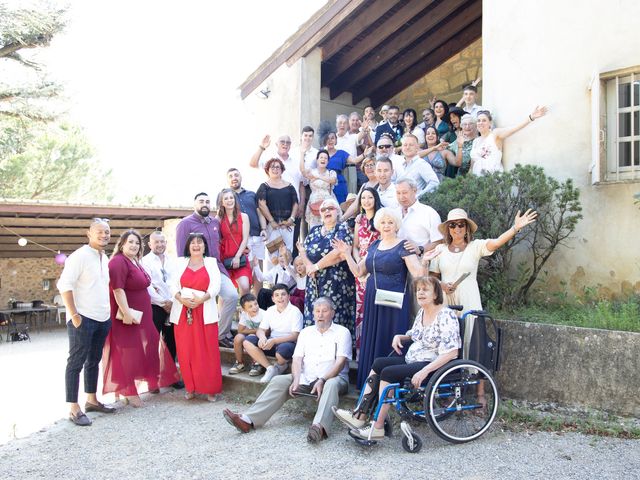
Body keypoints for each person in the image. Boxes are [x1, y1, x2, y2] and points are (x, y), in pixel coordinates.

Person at [332, 276, 460, 440]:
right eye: (418, 289)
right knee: (379, 363)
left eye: (425, 289)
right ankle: (359, 415)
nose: (420, 293)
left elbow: (452, 352)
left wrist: (424, 371)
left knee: (389, 373)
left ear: (435, 294)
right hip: (413, 359)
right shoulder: (423, 312)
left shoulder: (446, 315)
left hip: (431, 364)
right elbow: (415, 335)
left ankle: (378, 427)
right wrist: (400, 337)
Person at [223, 297, 352, 443]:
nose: (320, 315)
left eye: (325, 311)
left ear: (333, 313)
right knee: (279, 380)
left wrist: (323, 380)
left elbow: (340, 362)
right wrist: (296, 379)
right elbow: (297, 359)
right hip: (306, 376)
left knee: (331, 384)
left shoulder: (342, 332)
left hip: (333, 378)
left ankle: (319, 427)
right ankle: (248, 420)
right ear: (313, 314)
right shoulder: (306, 332)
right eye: (317, 311)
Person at [333, 207, 426, 388]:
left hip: (395, 303)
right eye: (383, 222)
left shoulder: (404, 245)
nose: (386, 226)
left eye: (390, 222)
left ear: (396, 224)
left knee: (391, 339)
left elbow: (418, 274)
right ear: (378, 225)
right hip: (373, 300)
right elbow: (359, 272)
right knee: (373, 338)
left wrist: (425, 258)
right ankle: (369, 387)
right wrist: (345, 253)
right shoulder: (374, 246)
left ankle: (389, 386)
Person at [429, 208, 537, 357]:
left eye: (461, 224)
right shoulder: (440, 249)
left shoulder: (476, 246)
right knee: (446, 341)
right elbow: (432, 277)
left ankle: (471, 374)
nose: (457, 228)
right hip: (446, 300)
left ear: (467, 228)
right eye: (453, 225)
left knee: (471, 339)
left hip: (468, 298)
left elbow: (497, 242)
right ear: (448, 228)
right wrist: (442, 285)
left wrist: (515, 228)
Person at [103, 230, 179, 407]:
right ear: (122, 244)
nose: (134, 246)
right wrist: (127, 313)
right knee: (129, 351)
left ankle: (141, 383)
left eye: (137, 243)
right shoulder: (118, 262)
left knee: (144, 346)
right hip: (129, 316)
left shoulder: (135, 261)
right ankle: (128, 390)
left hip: (143, 314)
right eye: (130, 242)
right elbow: (117, 289)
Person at [57, 218, 116, 426]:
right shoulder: (79, 256)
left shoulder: (104, 257)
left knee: (93, 361)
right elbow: (64, 285)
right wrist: (74, 315)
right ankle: (74, 408)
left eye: (107, 232)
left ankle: (92, 400)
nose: (104, 235)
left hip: (102, 319)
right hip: (82, 318)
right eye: (99, 232)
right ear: (88, 234)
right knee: (76, 363)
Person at [175, 192, 238, 348]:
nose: (205, 203)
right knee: (203, 305)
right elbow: (181, 253)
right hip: (197, 270)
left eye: (207, 201)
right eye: (201, 201)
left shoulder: (215, 223)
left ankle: (221, 334)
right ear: (194, 204)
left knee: (232, 296)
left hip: (217, 267)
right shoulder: (185, 224)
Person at [170, 233, 222, 401]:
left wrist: (202, 299)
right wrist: (181, 299)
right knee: (186, 351)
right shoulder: (179, 263)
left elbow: (216, 285)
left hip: (204, 310)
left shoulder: (211, 262)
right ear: (188, 246)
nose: (196, 245)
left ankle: (210, 389)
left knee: (207, 350)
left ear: (205, 246)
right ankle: (190, 387)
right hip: (183, 312)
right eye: (193, 242)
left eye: (200, 242)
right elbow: (172, 284)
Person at [298, 198, 356, 337]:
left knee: (334, 314)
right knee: (316, 314)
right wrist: (309, 266)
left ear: (338, 212)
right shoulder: (314, 230)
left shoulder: (342, 229)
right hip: (314, 281)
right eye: (323, 210)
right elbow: (303, 251)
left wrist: (316, 266)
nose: (327, 211)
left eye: (331, 208)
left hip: (337, 282)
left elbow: (339, 254)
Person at [140, 230, 184, 389]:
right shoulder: (144, 261)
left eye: (162, 241)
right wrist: (162, 302)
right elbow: (147, 285)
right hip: (155, 306)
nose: (159, 244)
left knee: (171, 342)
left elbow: (178, 281)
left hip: (174, 305)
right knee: (151, 343)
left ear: (166, 243)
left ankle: (170, 377)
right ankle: (152, 380)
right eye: (156, 242)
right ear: (150, 244)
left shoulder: (173, 261)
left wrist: (172, 301)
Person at [243, 284, 303, 383]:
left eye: (283, 294)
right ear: (273, 298)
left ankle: (281, 365)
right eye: (277, 295)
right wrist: (262, 338)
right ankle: (270, 368)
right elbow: (260, 330)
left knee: (282, 352)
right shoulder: (270, 311)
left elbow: (295, 335)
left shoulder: (295, 312)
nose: (280, 297)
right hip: (271, 341)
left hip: (288, 342)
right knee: (247, 342)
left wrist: (274, 340)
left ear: (288, 296)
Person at [471, 107, 548, 175]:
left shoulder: (495, 134)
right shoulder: (475, 141)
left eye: (484, 120)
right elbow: (473, 164)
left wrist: (530, 118)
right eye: (478, 120)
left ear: (490, 123)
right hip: (477, 180)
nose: (480, 123)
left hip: (492, 179)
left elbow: (513, 129)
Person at [352, 187, 382, 355]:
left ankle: (374, 348)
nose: (366, 201)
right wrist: (357, 260)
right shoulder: (359, 220)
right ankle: (360, 350)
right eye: (363, 198)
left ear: (375, 199)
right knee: (361, 307)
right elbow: (355, 246)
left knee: (374, 304)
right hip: (360, 269)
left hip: (376, 266)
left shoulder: (381, 219)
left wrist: (367, 261)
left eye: (370, 197)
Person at [226, 168, 266, 275]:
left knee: (258, 269)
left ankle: (258, 292)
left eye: (236, 175)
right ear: (227, 180)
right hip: (241, 239)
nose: (234, 178)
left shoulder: (251, 194)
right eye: (231, 176)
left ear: (241, 177)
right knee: (244, 270)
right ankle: (245, 292)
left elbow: (259, 212)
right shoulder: (227, 198)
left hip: (257, 236)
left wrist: (263, 229)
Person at [256, 158, 299, 255]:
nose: (275, 169)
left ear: (282, 170)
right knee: (273, 256)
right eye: (272, 167)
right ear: (267, 170)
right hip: (272, 227)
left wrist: (291, 219)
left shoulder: (289, 186)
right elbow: (261, 205)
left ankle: (287, 270)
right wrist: (272, 221)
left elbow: (295, 203)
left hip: (288, 225)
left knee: (288, 253)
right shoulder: (264, 186)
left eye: (277, 167)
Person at [394, 177, 444, 255]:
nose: (401, 197)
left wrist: (420, 249)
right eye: (398, 193)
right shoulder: (393, 213)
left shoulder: (429, 213)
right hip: (395, 261)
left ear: (414, 191)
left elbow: (439, 242)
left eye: (404, 192)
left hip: (420, 261)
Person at [217, 188, 252, 296]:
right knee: (226, 293)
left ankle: (244, 310)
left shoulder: (244, 216)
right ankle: (222, 313)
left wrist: (237, 256)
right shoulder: (218, 218)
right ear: (222, 202)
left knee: (245, 286)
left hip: (239, 257)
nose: (229, 200)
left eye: (231, 197)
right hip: (225, 258)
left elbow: (245, 238)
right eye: (226, 198)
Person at [229, 293, 264, 375]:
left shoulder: (263, 314)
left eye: (255, 304)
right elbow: (240, 330)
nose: (254, 307)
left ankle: (257, 364)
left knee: (251, 339)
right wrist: (255, 331)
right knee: (238, 338)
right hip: (251, 335)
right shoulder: (244, 314)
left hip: (261, 337)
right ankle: (240, 363)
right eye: (250, 306)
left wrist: (251, 331)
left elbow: (266, 331)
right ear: (244, 309)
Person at [301, 149, 337, 228]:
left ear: (328, 161)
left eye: (325, 158)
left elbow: (332, 180)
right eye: (321, 157)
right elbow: (302, 171)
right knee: (315, 228)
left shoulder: (331, 172)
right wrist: (302, 153)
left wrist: (318, 177)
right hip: (314, 202)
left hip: (328, 203)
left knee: (329, 227)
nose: (323, 159)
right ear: (317, 160)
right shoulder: (311, 171)